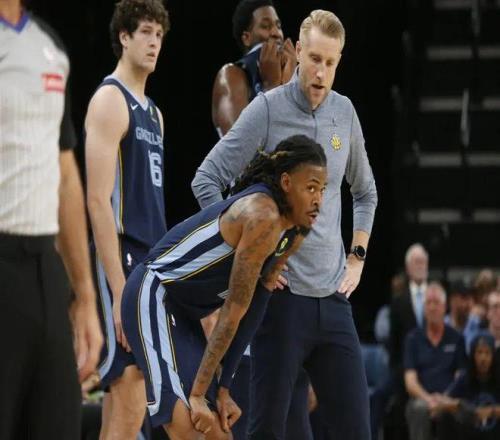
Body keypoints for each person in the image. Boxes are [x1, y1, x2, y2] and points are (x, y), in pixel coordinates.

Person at [192, 9, 378, 440]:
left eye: (330, 62)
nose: (320, 72)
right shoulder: (268, 109)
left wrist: (358, 256)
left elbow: (365, 192)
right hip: (280, 302)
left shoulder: (345, 113)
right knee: (268, 432)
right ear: (297, 51)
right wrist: (246, 252)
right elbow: (206, 179)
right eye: (313, 59)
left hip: (333, 300)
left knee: (357, 430)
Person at [121, 135, 328, 439]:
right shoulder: (262, 216)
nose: (318, 200)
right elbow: (232, 312)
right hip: (154, 293)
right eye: (310, 188)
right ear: (286, 182)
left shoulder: (295, 230)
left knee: (219, 433)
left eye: (323, 190)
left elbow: (254, 307)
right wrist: (198, 393)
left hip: (186, 314)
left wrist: (224, 386)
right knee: (189, 428)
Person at [0, 0, 102, 437]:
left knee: (58, 422)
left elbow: (65, 172)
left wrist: (85, 296)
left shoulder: (49, 48)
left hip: (44, 270)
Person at [84, 0, 169, 438]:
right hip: (119, 258)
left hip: (149, 261)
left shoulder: (154, 113)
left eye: (159, 34)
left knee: (127, 406)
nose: (154, 42)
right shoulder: (109, 100)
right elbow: (97, 201)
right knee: (131, 395)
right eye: (146, 32)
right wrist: (119, 292)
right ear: (124, 36)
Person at [212, 0, 296, 137]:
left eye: (278, 26)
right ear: (247, 38)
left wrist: (291, 84)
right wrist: (272, 88)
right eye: (265, 26)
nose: (276, 33)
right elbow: (240, 144)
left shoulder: (291, 77)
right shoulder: (231, 75)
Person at [404, 282, 467, 440]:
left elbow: (461, 377)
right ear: (424, 308)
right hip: (422, 399)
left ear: (444, 307)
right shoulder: (412, 339)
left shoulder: (457, 338)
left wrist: (444, 400)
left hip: (449, 398)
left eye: (436, 303)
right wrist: (429, 400)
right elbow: (410, 382)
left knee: (456, 409)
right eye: (428, 303)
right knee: (418, 408)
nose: (432, 307)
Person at [437, 332, 500, 440]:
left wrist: (491, 411)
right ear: (473, 355)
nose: (483, 358)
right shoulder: (465, 377)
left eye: (487, 353)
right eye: (479, 352)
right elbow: (442, 401)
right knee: (445, 416)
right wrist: (461, 405)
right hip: (469, 433)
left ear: (493, 356)